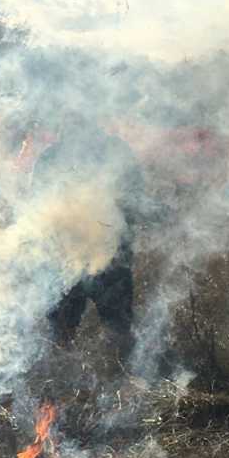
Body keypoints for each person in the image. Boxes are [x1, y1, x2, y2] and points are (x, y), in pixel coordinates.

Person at [35, 117, 146, 354]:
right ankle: (61, 378)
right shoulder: (50, 157)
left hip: (110, 254)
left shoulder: (116, 152)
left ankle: (119, 376)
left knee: (117, 325)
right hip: (65, 257)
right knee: (61, 327)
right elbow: (38, 206)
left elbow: (135, 196)